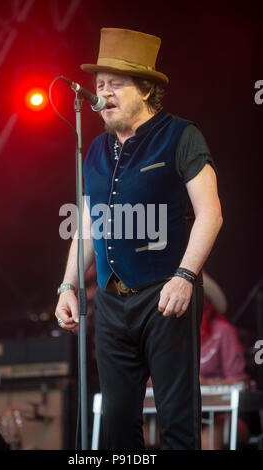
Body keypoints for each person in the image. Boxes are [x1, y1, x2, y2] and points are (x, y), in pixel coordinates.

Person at [54, 28, 223, 450]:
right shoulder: (94, 149)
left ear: (146, 89)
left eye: (114, 85)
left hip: (165, 297)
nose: (102, 94)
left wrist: (185, 276)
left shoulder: (181, 136)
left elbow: (211, 214)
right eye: (98, 86)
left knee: (177, 423)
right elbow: (89, 226)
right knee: (117, 429)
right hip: (111, 305)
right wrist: (67, 285)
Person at [200, 272, 250, 449]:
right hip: (177, 416)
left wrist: (204, 383)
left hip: (223, 417)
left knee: (206, 441)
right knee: (133, 435)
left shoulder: (223, 331)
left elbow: (241, 381)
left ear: (206, 303)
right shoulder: (169, 336)